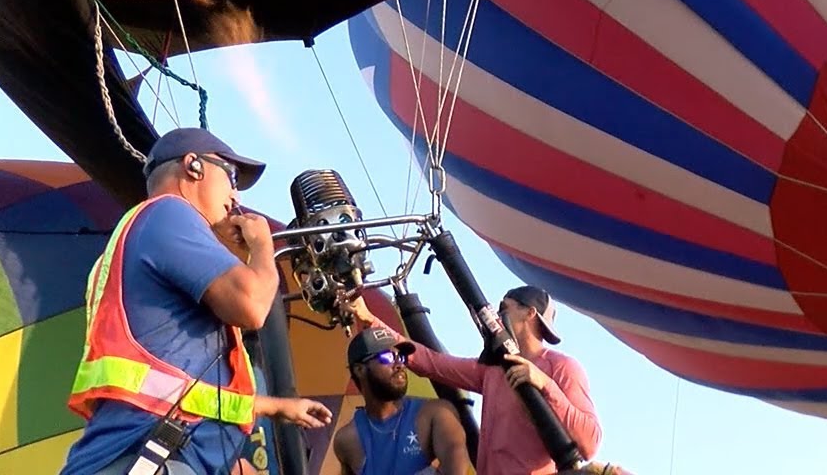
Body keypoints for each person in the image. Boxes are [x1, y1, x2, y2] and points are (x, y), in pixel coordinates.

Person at [60, 127, 333, 474]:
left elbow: (183, 389)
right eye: (231, 177)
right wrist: (263, 247)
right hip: (149, 456)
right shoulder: (169, 214)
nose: (235, 195)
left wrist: (278, 407)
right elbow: (251, 306)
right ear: (194, 166)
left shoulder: (139, 235)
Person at [347, 285, 602, 475]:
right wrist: (370, 320)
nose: (497, 317)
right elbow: (431, 362)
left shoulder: (562, 367)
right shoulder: (493, 369)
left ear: (530, 313)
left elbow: (590, 443)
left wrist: (545, 384)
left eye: (504, 308)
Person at [333, 327, 472, 475]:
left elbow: (456, 462)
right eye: (387, 357)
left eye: (401, 357)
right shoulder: (346, 439)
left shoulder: (436, 412)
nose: (399, 365)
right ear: (359, 370)